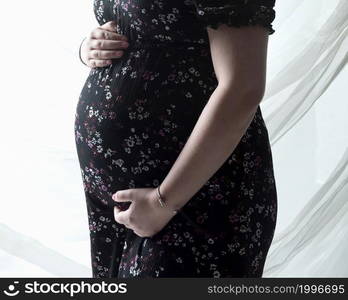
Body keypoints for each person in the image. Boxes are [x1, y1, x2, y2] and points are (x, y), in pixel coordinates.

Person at [74, 0, 278, 278]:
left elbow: (243, 87)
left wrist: (163, 202)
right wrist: (89, 47)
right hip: (122, 204)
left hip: (194, 196)